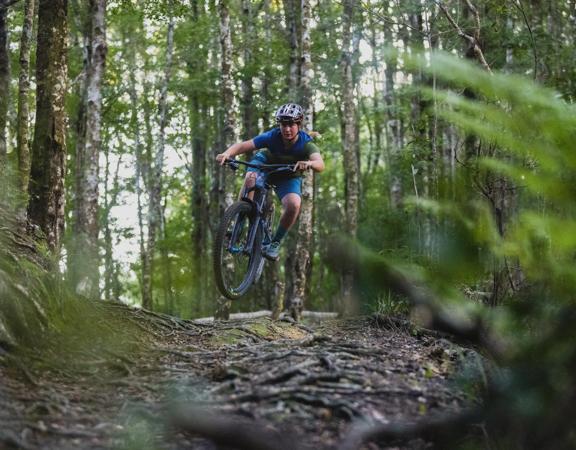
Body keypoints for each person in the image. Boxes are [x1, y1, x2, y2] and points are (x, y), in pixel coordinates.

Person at [216, 103, 325, 260]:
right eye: (283, 124)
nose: (287, 129)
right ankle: (238, 224)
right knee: (250, 179)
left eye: (291, 124)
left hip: (288, 175)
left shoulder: (306, 143)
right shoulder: (272, 137)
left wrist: (309, 163)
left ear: (299, 124)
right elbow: (243, 145)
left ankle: (274, 243)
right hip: (264, 165)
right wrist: (226, 154)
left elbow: (320, 164)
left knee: (294, 204)